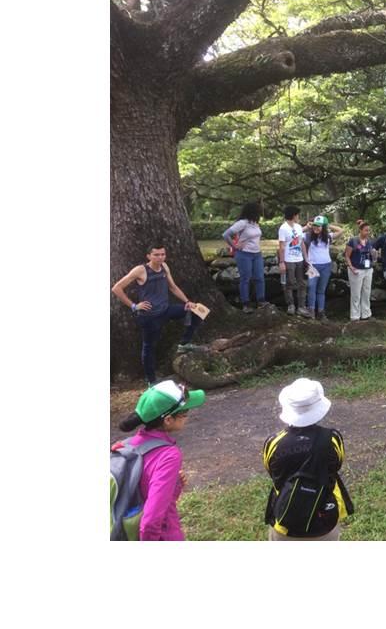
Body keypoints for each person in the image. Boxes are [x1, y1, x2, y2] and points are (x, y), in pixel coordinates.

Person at [262, 378, 352, 541]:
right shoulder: (332, 439)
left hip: (284, 521)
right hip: (325, 518)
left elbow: (272, 471)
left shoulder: (274, 442)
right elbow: (336, 465)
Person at [116, 380, 207, 540]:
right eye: (184, 413)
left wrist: (174, 485)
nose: (187, 417)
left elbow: (144, 492)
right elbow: (151, 520)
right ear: (168, 420)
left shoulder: (124, 446)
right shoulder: (168, 455)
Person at [112, 243, 205, 385]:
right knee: (149, 347)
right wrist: (134, 306)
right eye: (156, 254)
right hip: (149, 316)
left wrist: (187, 301)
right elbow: (116, 288)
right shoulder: (140, 270)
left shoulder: (164, 267)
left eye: (163, 254)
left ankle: (184, 343)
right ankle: (151, 381)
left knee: (198, 311)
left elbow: (173, 287)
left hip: (166, 310)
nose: (160, 257)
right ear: (149, 256)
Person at [222, 201, 267, 313]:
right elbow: (226, 234)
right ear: (253, 211)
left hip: (257, 254)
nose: (260, 214)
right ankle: (246, 304)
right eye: (258, 211)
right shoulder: (242, 223)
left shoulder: (255, 223)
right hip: (244, 254)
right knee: (245, 279)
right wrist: (234, 246)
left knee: (259, 278)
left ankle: (261, 301)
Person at [304, 215, 345, 320]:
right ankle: (311, 311)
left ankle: (321, 312)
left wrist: (328, 225)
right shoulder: (308, 236)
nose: (316, 228)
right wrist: (307, 227)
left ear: (323, 227)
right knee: (311, 287)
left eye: (319, 226)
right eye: (315, 225)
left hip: (326, 266)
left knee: (321, 290)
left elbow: (341, 230)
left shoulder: (328, 236)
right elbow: (296, 234)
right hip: (312, 266)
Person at [278, 205, 310, 317]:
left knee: (302, 283)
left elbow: (301, 243)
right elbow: (281, 246)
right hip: (289, 259)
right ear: (293, 215)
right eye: (297, 215)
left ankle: (301, 307)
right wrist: (282, 262)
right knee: (289, 283)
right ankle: (290, 305)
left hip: (299, 259)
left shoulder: (298, 227)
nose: (298, 217)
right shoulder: (283, 228)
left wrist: (306, 258)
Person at [344, 220, 374, 321]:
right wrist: (351, 267)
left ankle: (366, 313)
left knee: (366, 292)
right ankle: (355, 316)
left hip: (368, 269)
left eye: (369, 230)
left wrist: (375, 255)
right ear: (360, 230)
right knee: (356, 293)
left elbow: (372, 255)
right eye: (366, 230)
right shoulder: (353, 241)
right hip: (356, 270)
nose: (368, 232)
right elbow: (347, 256)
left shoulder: (369, 241)